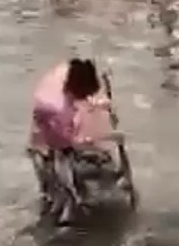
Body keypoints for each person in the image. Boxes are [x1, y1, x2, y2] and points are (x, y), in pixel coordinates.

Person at [28, 58, 115, 210]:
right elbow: (66, 143)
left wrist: (94, 104)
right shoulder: (58, 108)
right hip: (48, 139)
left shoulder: (65, 70)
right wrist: (91, 141)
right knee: (60, 193)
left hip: (48, 123)